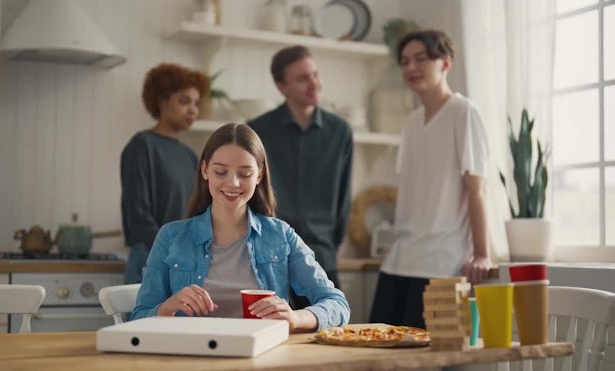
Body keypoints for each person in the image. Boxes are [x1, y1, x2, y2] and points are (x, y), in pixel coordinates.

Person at [131, 123, 350, 332]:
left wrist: (296, 318)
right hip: (190, 357)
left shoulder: (280, 235)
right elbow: (139, 317)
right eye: (220, 172)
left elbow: (337, 303)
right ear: (205, 170)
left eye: (244, 174)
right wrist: (168, 307)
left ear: (259, 175)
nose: (233, 183)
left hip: (260, 356)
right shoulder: (170, 237)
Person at [370, 30, 492, 329]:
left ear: (446, 63)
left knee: (430, 360)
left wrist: (482, 254)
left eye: (421, 59)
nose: (411, 68)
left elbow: (477, 189)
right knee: (373, 354)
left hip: (442, 264)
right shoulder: (411, 122)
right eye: (405, 61)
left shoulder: (464, 112)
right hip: (399, 259)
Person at [247, 45, 352, 309]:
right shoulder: (257, 131)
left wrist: (330, 243)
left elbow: (343, 199)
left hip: (322, 258)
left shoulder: (341, 132)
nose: (314, 84)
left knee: (330, 340)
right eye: (302, 78)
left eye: (315, 75)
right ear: (281, 86)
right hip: (270, 258)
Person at [121, 63, 210, 284]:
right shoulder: (142, 145)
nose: (193, 110)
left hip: (185, 261)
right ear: (161, 100)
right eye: (184, 101)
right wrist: (173, 252)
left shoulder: (189, 156)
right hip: (150, 258)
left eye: (196, 103)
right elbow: (138, 215)